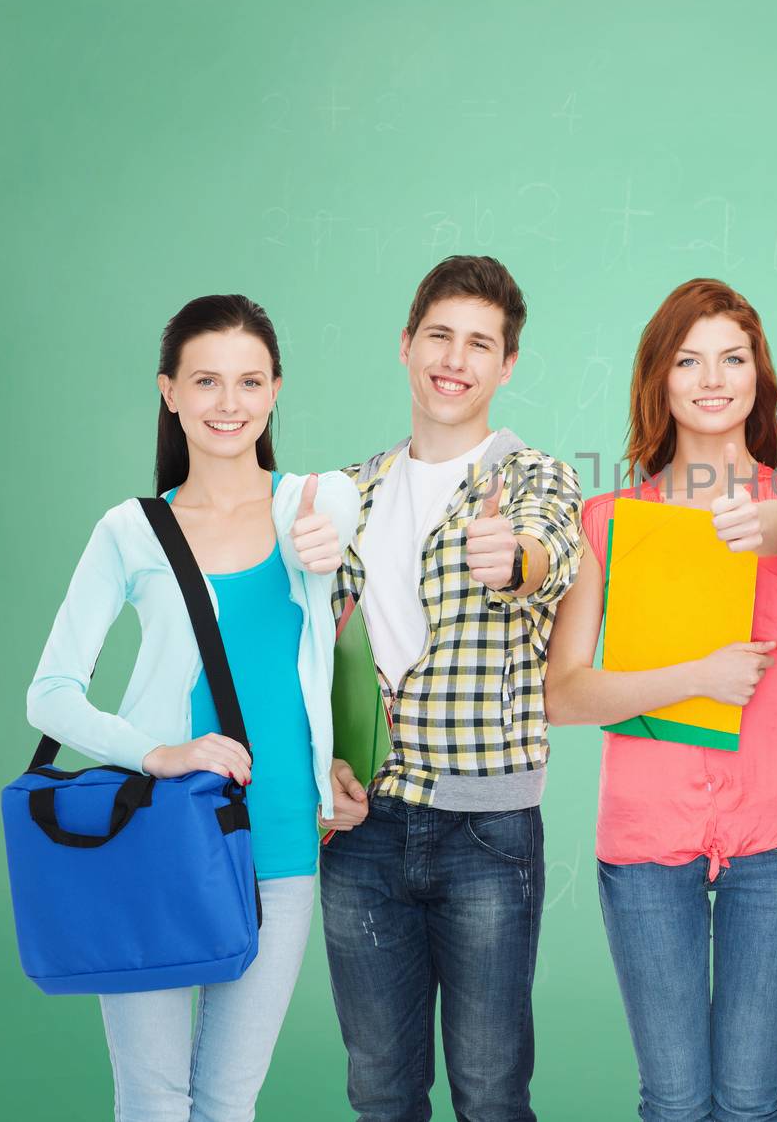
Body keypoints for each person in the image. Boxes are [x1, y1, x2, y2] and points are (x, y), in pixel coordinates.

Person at [25, 294, 362, 1122]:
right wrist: (158, 753)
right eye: (206, 380)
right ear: (169, 390)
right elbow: (50, 693)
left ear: (276, 389)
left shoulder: (313, 504)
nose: (229, 403)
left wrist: (331, 541)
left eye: (249, 381)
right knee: (153, 1099)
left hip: (282, 839)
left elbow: (345, 514)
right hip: (159, 835)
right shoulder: (130, 530)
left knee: (227, 1100)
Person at [545, 277, 777, 1122]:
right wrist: (698, 676)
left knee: (749, 1099)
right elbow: (563, 694)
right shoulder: (606, 520)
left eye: (733, 357)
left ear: (760, 374)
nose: (713, 378)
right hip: (646, 839)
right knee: (676, 1099)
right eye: (689, 359)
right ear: (660, 379)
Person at [319, 255, 583, 1122]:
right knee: (381, 1090)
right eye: (440, 335)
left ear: (506, 365)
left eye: (481, 343)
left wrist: (514, 558)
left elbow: (549, 556)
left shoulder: (534, 477)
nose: (455, 358)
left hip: (487, 833)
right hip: (363, 832)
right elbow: (314, 656)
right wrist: (324, 769)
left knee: (491, 1092)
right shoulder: (346, 493)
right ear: (406, 345)